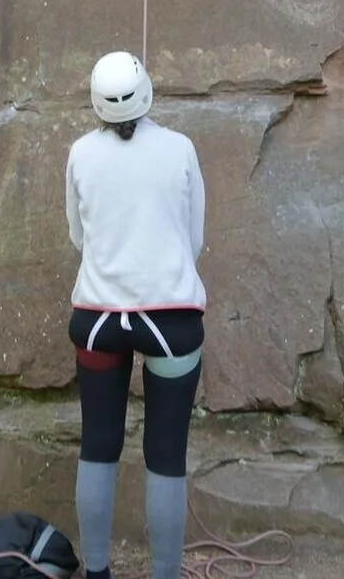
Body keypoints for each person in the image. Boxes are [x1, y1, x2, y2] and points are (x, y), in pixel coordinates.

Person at [65, 52, 206, 579]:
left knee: (98, 444)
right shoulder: (180, 148)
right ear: (145, 91)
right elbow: (193, 239)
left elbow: (78, 236)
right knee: (166, 453)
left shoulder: (81, 153)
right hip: (171, 319)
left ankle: (97, 572)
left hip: (99, 319)